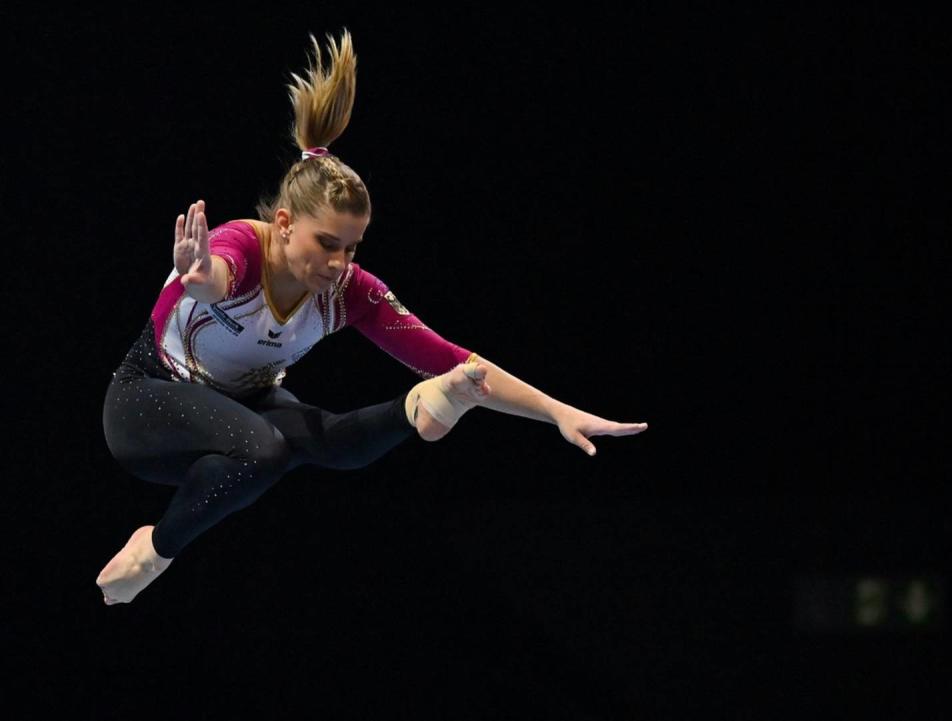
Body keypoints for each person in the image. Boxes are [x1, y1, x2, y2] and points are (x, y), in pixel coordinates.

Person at [96, 29, 648, 606]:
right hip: (147, 404)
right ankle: (153, 553)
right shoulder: (240, 245)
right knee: (265, 451)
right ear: (284, 223)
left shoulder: (348, 291)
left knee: (331, 442)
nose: (339, 263)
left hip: (241, 406)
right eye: (327, 243)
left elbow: (459, 358)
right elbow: (217, 279)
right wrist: (197, 273)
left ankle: (424, 406)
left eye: (352, 248)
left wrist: (557, 412)